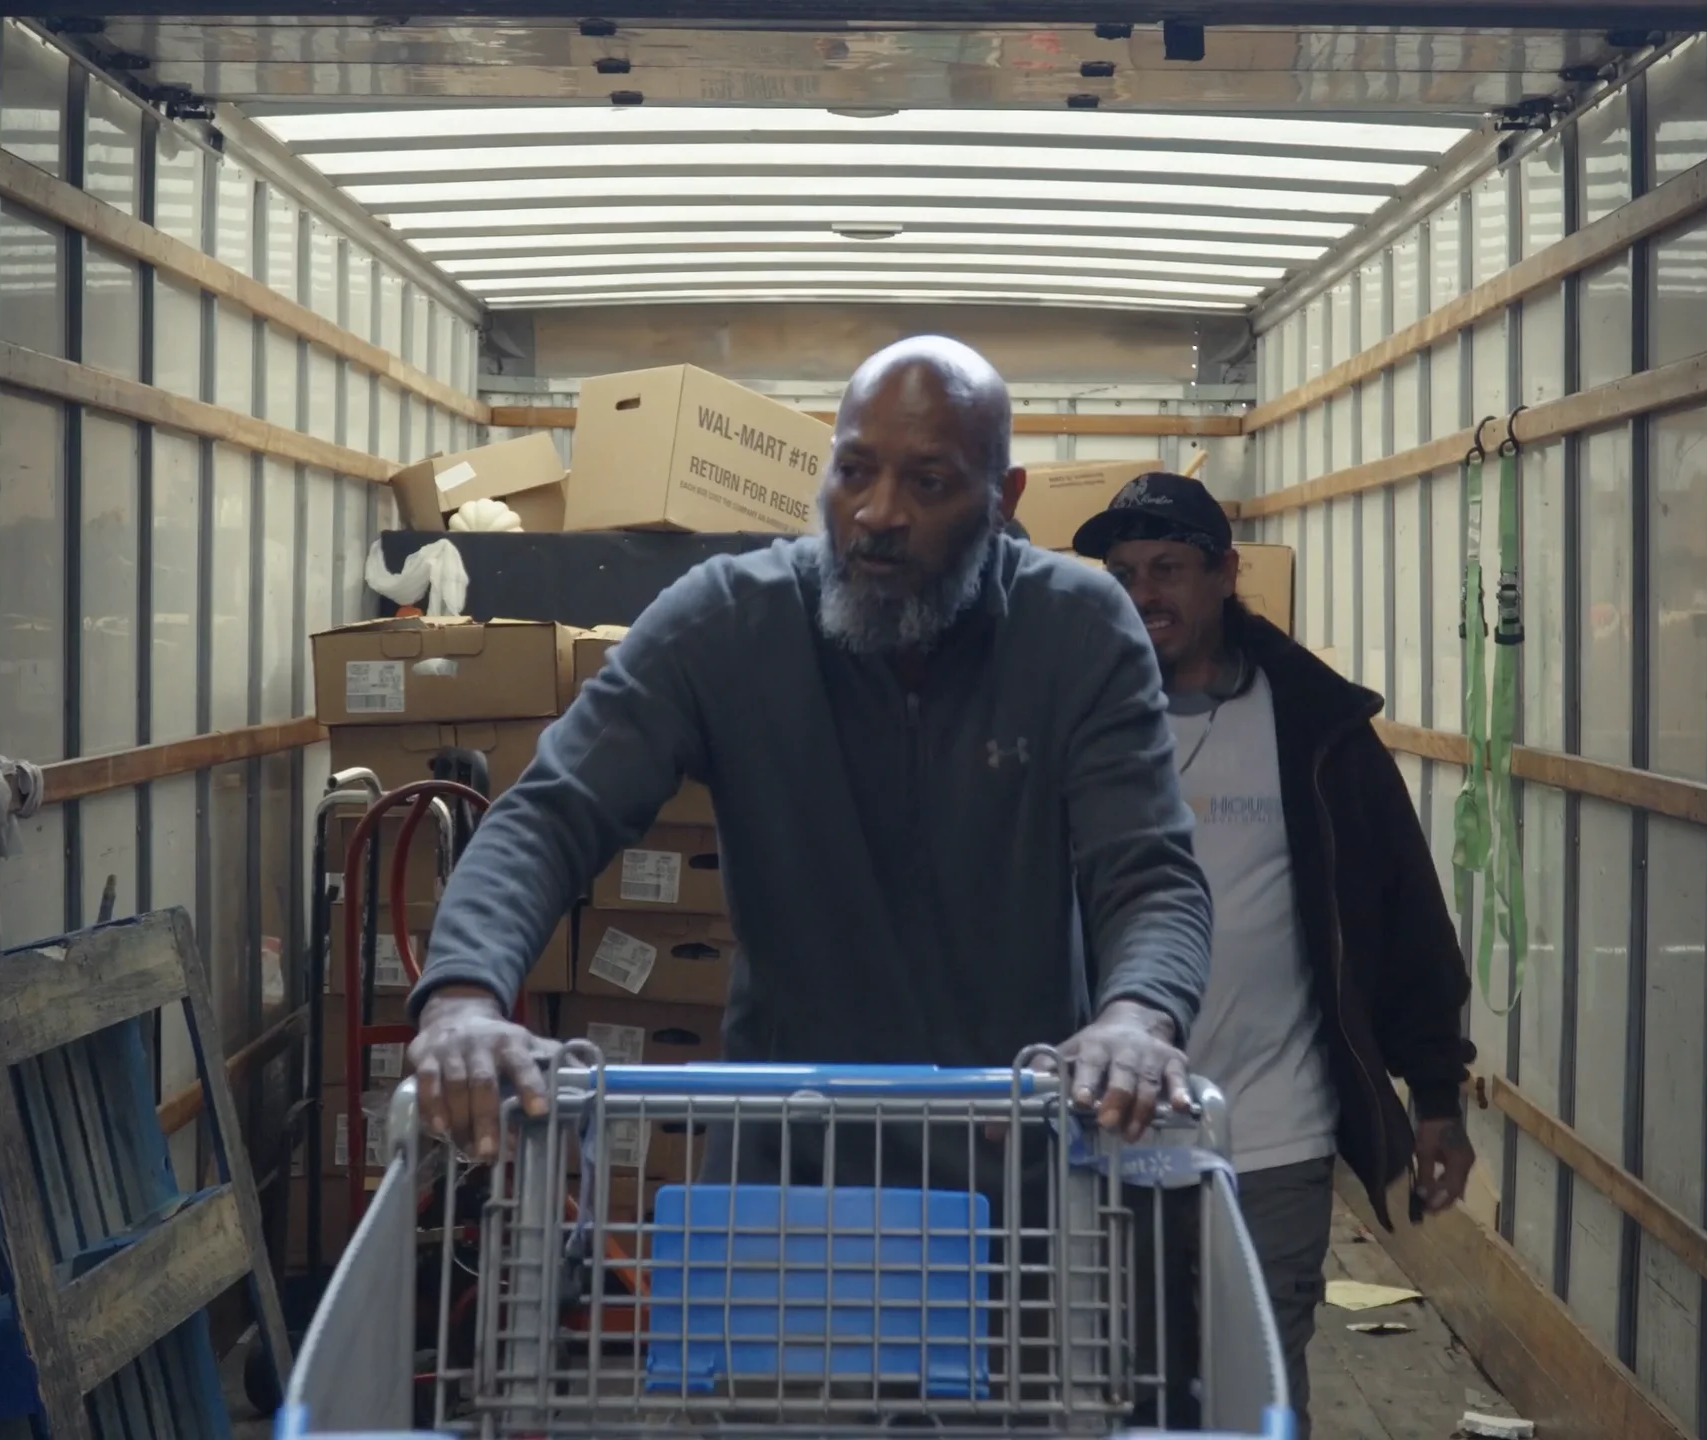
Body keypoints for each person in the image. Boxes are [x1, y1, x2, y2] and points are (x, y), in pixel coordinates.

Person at [405, 336, 1213, 1175]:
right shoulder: (727, 620)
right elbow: (550, 816)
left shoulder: (1078, 629)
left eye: (929, 482)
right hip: (786, 1166)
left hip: (1017, 1169)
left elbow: (1148, 874)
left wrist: (1136, 1016)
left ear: (1002, 499)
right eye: (854, 470)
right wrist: (462, 996)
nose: (878, 513)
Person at [1072, 471, 1478, 1440]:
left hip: (1269, 1135)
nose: (1143, 594)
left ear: (1225, 573)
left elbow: (1403, 912)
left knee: (1256, 1386)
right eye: (1122, 574)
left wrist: (1436, 1094)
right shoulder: (1076, 721)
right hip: (1103, 1134)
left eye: (1168, 568)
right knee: (1119, 1389)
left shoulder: (1311, 726)